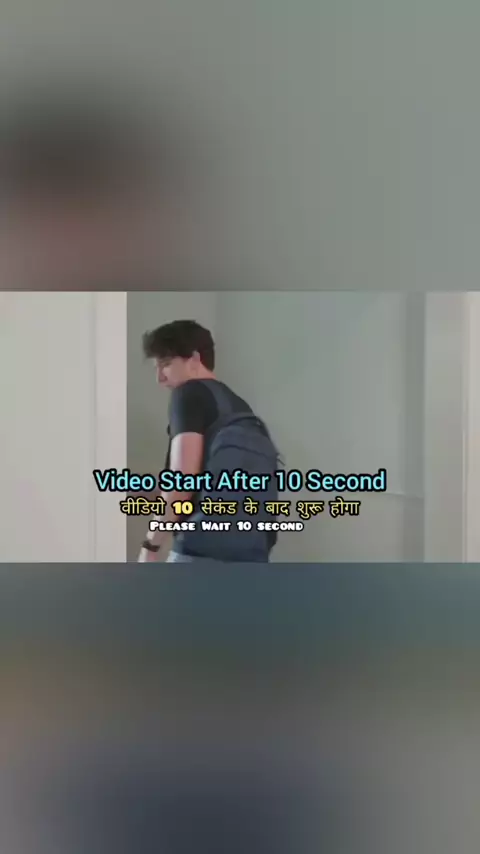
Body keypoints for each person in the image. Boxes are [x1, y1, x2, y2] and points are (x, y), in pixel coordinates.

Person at [138, 320, 280, 563]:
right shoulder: (239, 406)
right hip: (251, 554)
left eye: (166, 364)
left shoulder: (188, 394)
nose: (160, 378)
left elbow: (182, 482)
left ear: (194, 358)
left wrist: (151, 545)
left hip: (199, 554)